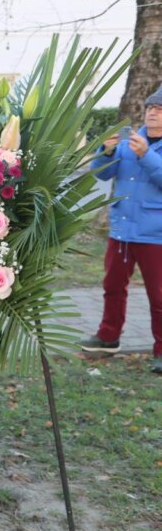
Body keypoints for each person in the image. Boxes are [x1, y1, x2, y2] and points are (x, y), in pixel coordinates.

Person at [81, 85, 162, 375]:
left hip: (156, 236)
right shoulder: (132, 140)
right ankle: (108, 337)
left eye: (160, 109)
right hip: (122, 232)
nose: (153, 112)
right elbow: (102, 173)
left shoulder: (142, 148)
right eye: (151, 107)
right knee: (113, 287)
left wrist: (147, 156)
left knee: (160, 297)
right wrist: (105, 151)